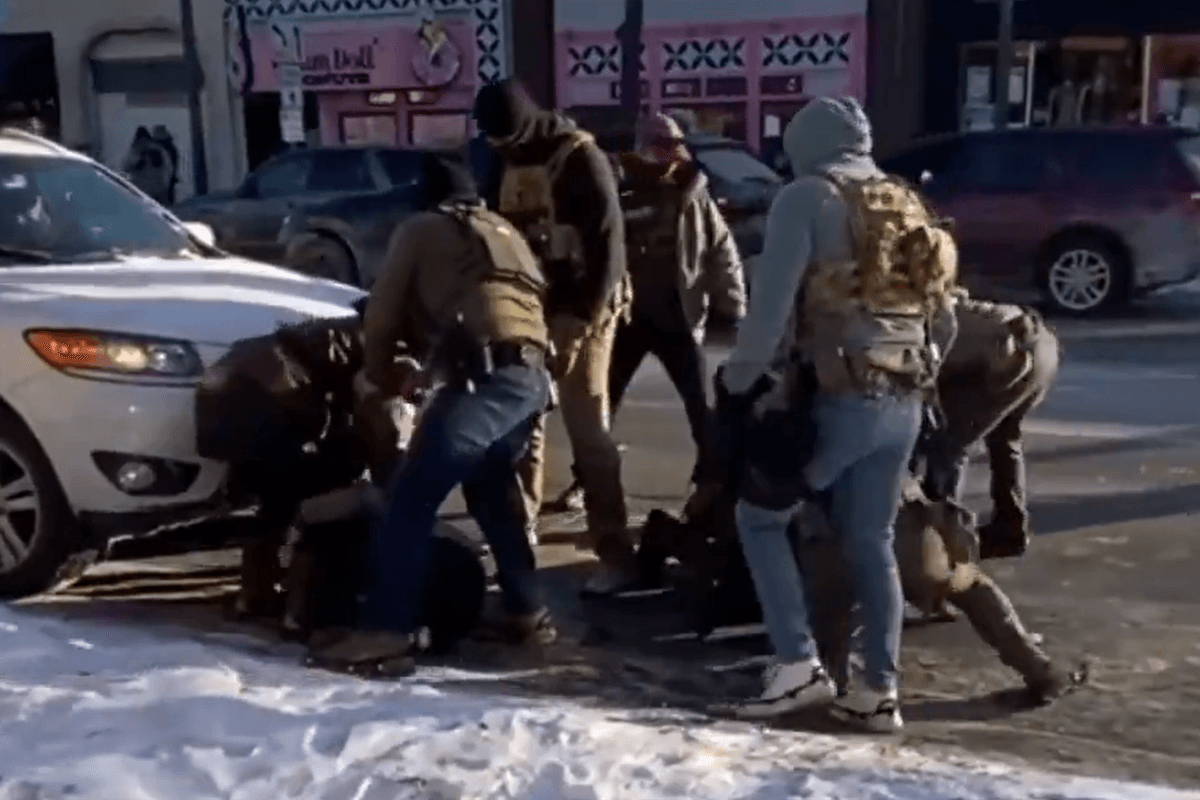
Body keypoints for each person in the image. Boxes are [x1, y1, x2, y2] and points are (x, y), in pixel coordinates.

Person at [716, 97, 958, 729]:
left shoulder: (806, 198)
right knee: (869, 537)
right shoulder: (902, 203)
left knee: (760, 519)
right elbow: (946, 317)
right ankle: (878, 690)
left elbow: (769, 315)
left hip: (842, 396)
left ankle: (799, 666)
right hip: (905, 397)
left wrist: (736, 382)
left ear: (806, 144)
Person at [307, 155, 555, 675]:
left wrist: (377, 373)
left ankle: (387, 630)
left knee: (409, 499)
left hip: (484, 378)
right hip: (530, 377)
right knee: (493, 494)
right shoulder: (500, 230)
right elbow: (484, 306)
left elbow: (384, 311)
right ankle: (527, 612)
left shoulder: (422, 228)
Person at [472, 78, 635, 594]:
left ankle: (615, 551)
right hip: (526, 305)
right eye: (494, 143)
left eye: (507, 139)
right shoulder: (500, 156)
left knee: (588, 426)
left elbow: (609, 250)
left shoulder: (581, 158)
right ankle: (519, 534)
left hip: (584, 307)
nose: (501, 150)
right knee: (522, 424)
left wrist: (579, 321)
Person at [557, 113, 746, 506]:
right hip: (625, 317)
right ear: (644, 146)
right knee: (601, 402)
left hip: (678, 314)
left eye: (675, 148)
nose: (672, 158)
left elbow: (720, 249)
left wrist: (732, 302)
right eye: (664, 148)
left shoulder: (690, 191)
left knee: (700, 406)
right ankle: (587, 480)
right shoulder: (614, 185)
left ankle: (711, 482)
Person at [793, 477, 1082, 705]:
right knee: (970, 584)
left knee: (831, 608)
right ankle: (1040, 670)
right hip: (901, 527)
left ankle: (833, 682)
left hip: (829, 531)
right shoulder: (894, 406)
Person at [920, 296, 1060, 559]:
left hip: (1008, 352)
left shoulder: (915, 321)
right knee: (1004, 436)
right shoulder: (939, 299)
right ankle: (1010, 529)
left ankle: (941, 541)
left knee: (949, 445)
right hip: (1041, 345)